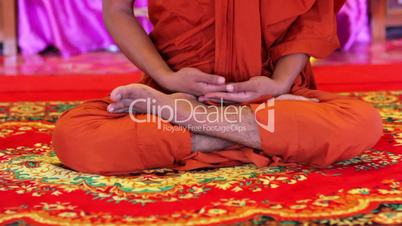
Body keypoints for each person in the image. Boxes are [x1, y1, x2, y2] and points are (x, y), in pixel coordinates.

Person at [52, 0, 383, 175]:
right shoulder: (168, 83)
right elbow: (117, 9)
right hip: (175, 87)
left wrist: (279, 83)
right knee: (74, 137)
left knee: (362, 123)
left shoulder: (276, 89)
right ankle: (267, 139)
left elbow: (311, 20)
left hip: (268, 95)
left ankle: (189, 121)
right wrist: (165, 78)